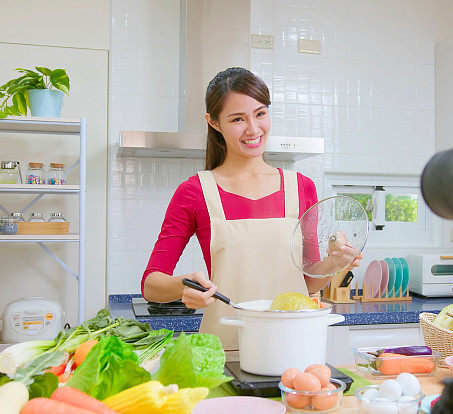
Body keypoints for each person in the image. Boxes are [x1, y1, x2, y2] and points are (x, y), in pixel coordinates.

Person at [142, 67, 361, 351]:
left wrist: (335, 263)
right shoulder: (196, 192)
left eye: (260, 114)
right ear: (214, 123)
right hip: (226, 352)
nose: (253, 129)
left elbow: (307, 283)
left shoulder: (301, 188)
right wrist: (184, 285)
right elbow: (151, 284)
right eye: (237, 119)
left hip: (294, 347)